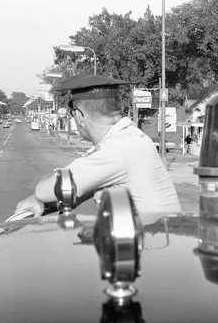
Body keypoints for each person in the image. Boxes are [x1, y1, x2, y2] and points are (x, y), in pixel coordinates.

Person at [15, 74, 181, 216]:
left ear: (79, 116)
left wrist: (38, 198)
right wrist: (48, 201)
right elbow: (80, 191)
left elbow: (46, 190)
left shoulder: (117, 149)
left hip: (147, 248)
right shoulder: (132, 137)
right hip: (157, 241)